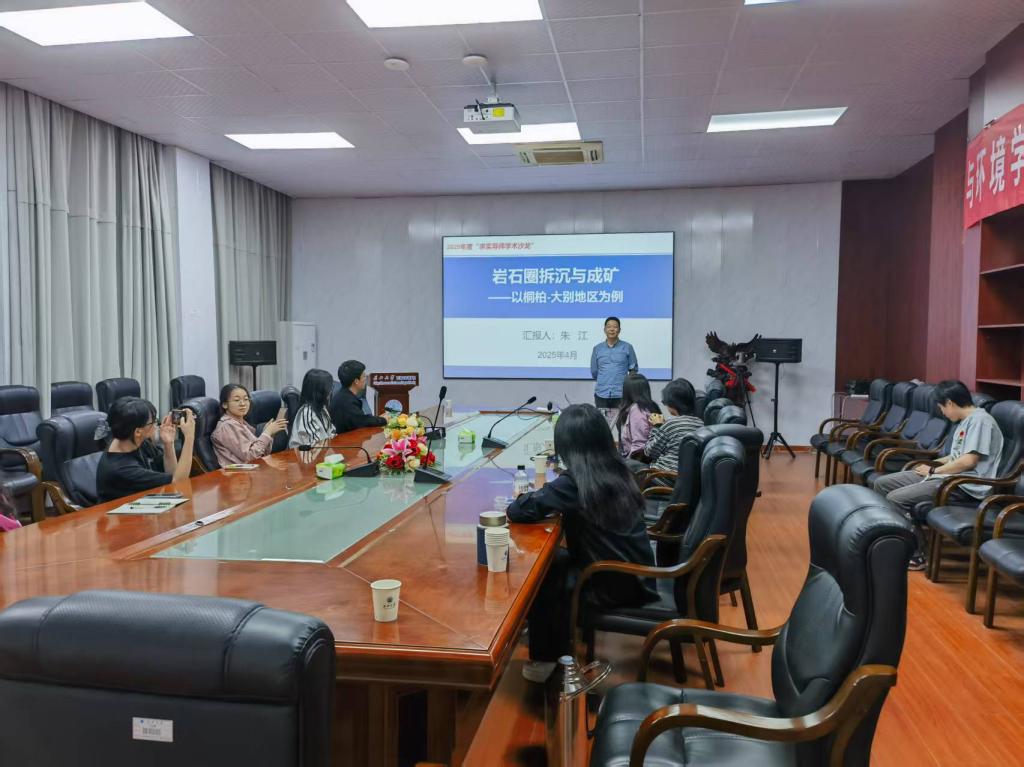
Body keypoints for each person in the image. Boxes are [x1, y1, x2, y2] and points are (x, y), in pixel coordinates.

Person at [507, 404, 658, 682]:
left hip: (614, 582)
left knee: (545, 572)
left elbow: (519, 510)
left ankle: (546, 657)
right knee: (557, 559)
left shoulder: (576, 481)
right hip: (637, 574)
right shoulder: (618, 468)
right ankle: (546, 633)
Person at [873, 379, 1004, 571]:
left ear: (950, 403)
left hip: (965, 486)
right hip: (949, 477)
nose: (942, 412)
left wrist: (934, 471)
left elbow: (968, 461)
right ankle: (898, 538)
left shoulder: (980, 421)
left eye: (941, 407)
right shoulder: (966, 421)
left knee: (896, 499)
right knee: (882, 484)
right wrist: (931, 464)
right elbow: (956, 456)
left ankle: (915, 554)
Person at [97, 396, 195, 503]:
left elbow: (171, 476)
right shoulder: (122, 470)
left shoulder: (134, 441)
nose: (156, 425)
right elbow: (178, 483)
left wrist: (168, 444)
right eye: (153, 422)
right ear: (138, 432)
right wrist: (189, 437)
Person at [211, 383, 288, 466]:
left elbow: (261, 454)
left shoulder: (242, 423)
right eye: (237, 400)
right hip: (238, 473)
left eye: (246, 399)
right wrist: (267, 433)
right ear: (225, 404)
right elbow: (250, 456)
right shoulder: (226, 426)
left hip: (255, 469)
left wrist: (270, 435)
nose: (243, 403)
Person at [643, 377, 704, 478]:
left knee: (629, 466)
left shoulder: (671, 425)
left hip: (663, 477)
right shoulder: (701, 424)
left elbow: (649, 452)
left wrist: (657, 426)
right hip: (688, 479)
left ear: (673, 403)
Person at [614, 372, 662, 471]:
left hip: (638, 464)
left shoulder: (637, 409)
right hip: (650, 460)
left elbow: (639, 446)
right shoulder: (653, 406)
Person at [590, 316, 638, 409]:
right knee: (601, 418)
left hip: (622, 394)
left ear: (619, 330)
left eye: (615, 327)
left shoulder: (627, 347)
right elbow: (594, 372)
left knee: (622, 418)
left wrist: (628, 388)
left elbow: (633, 370)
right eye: (609, 327)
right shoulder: (597, 348)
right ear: (604, 329)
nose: (612, 329)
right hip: (601, 393)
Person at [330, 360, 388, 434]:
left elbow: (360, 418)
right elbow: (362, 422)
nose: (365, 379)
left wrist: (380, 418)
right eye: (363, 376)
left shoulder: (343, 396)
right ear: (356, 381)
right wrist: (383, 420)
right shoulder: (347, 402)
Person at [290, 368, 337, 447]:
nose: (331, 391)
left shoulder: (322, 409)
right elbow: (316, 445)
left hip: (322, 451)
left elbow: (332, 432)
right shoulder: (307, 413)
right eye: (329, 388)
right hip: (305, 453)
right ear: (319, 392)